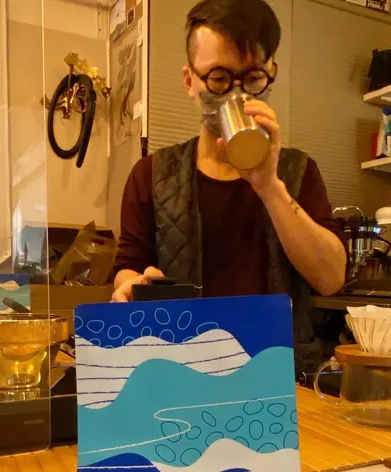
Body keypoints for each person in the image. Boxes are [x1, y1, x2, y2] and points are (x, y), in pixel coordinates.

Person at [112, 0, 346, 377]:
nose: (236, 95)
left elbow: (331, 278)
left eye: (252, 78)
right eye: (219, 79)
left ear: (272, 72)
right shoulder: (151, 174)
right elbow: (127, 268)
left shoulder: (298, 171)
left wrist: (269, 186)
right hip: (182, 373)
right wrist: (133, 286)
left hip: (279, 377)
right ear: (190, 81)